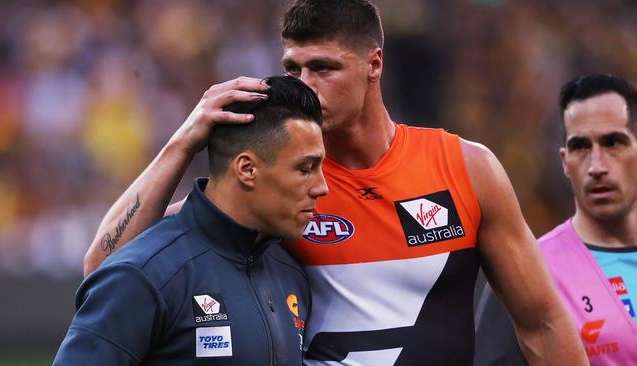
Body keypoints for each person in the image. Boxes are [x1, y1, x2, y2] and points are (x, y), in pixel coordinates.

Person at [82, 1, 587, 364]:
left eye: (323, 67)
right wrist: (184, 141)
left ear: (374, 64)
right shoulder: (279, 186)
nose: (304, 84)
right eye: (292, 68)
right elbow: (109, 268)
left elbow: (542, 324)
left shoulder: (465, 168)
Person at [53, 75, 328, 365]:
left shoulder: (289, 272)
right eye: (305, 168)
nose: (322, 186)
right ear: (246, 169)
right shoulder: (145, 275)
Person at [475, 74, 637, 365]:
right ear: (564, 161)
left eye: (613, 143)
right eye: (581, 147)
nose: (596, 166)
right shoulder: (529, 270)